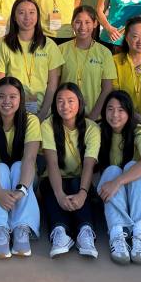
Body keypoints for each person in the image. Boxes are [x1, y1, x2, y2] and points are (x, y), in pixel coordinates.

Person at [0, 77, 41, 259]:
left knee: (19, 165)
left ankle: (22, 228)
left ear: (21, 99)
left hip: (25, 181)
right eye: (1, 96)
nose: (7, 102)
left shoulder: (31, 121)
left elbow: (30, 158)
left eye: (13, 97)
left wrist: (20, 191)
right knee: (1, 167)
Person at [40, 83, 101, 259]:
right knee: (52, 188)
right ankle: (60, 233)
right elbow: (51, 163)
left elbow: (89, 165)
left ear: (80, 103)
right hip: (54, 178)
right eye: (60, 101)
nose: (65, 106)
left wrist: (83, 193)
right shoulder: (48, 125)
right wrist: (59, 194)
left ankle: (85, 232)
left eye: (70, 101)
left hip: (80, 179)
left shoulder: (91, 128)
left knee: (76, 185)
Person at [96, 90, 141, 264]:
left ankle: (139, 233)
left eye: (121, 109)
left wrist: (118, 182)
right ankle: (117, 234)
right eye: (110, 109)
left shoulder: (138, 131)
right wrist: (114, 181)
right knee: (111, 170)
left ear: (130, 112)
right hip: (111, 195)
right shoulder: (98, 130)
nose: (115, 115)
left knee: (131, 166)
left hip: (135, 194)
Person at [0, 0, 64, 121]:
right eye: (21, 12)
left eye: (31, 12)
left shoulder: (49, 45)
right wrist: (8, 113)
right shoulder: (4, 44)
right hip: (11, 113)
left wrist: (42, 114)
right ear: (14, 17)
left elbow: (52, 84)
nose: (27, 17)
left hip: (43, 113)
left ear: (38, 15)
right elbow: (0, 84)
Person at [59, 5, 116, 120]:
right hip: (65, 116)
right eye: (78, 22)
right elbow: (55, 84)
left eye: (87, 22)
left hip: (94, 117)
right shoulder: (60, 50)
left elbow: (107, 89)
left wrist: (92, 117)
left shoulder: (104, 53)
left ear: (95, 24)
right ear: (72, 24)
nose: (82, 27)